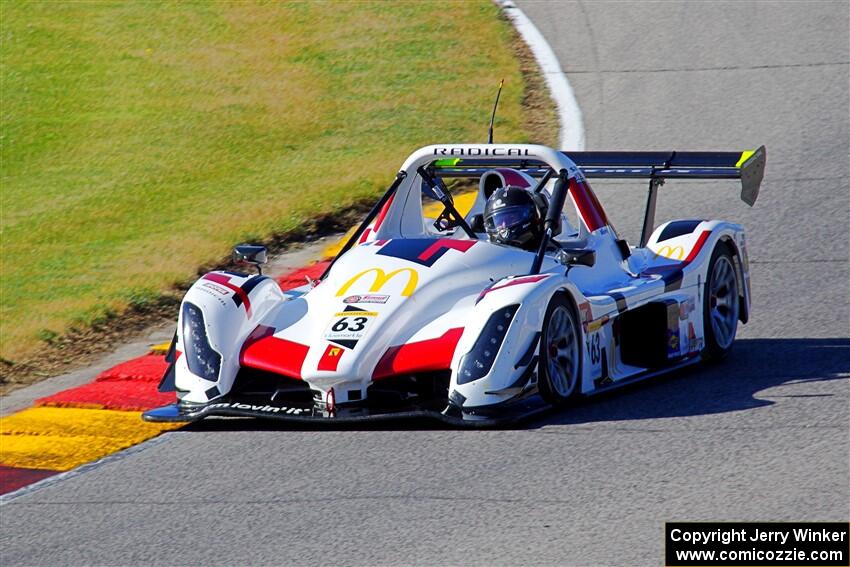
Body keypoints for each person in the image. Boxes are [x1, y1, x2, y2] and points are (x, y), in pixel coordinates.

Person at [483, 185, 548, 251]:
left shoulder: (552, 255)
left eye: (511, 218)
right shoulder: (485, 253)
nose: (504, 226)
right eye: (499, 221)